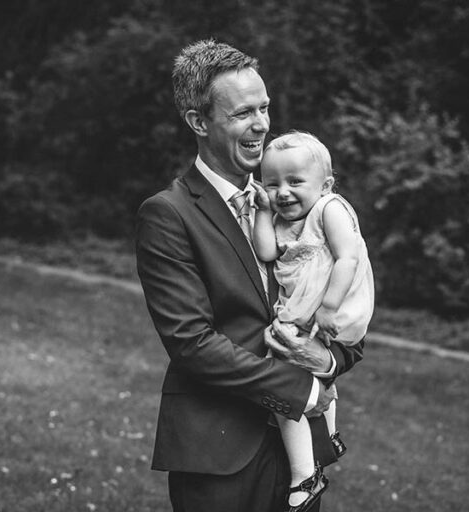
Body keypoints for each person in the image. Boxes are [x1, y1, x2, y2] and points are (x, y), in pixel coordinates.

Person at [135, 39, 364, 512]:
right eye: (242, 113)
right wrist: (300, 391)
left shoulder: (299, 207)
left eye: (264, 107)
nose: (261, 123)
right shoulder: (169, 214)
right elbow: (191, 342)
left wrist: (328, 362)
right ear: (199, 122)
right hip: (219, 451)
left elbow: (348, 304)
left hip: (300, 456)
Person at [251, 131, 375, 509]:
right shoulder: (283, 221)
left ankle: (305, 474)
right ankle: (329, 436)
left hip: (329, 309)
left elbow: (348, 257)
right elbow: (266, 250)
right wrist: (263, 211)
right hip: (306, 313)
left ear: (326, 185)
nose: (283, 192)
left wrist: (329, 306)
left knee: (283, 393)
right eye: (272, 184)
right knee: (303, 379)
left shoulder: (329, 209)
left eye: (295, 182)